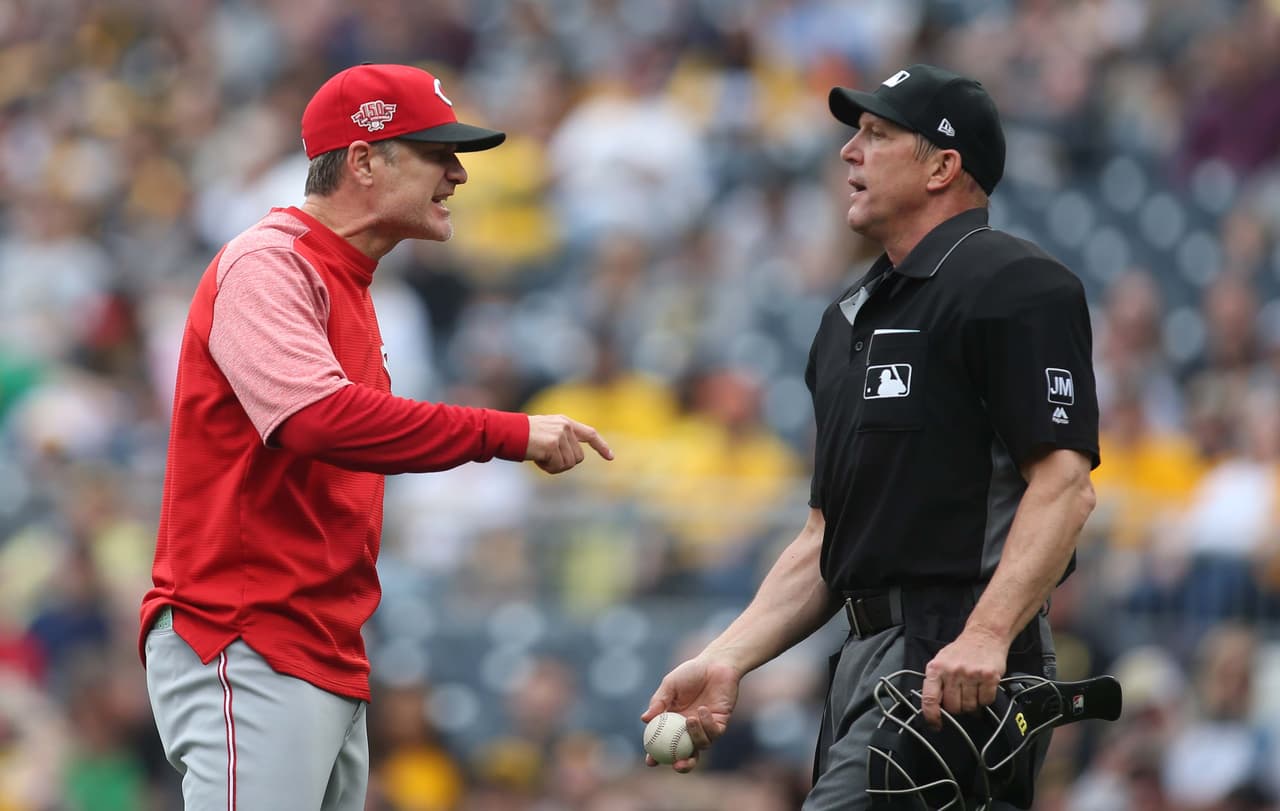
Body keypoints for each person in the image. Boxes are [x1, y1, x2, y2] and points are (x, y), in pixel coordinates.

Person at [138, 63, 613, 811]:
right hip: (246, 631)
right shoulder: (270, 264)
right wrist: (505, 432)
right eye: (435, 153)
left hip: (319, 643)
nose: (457, 174)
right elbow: (318, 417)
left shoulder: (350, 282)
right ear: (363, 158)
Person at [642, 63, 1100, 809]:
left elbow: (1065, 486)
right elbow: (826, 539)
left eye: (878, 135)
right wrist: (726, 657)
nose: (849, 152)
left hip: (957, 650)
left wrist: (986, 634)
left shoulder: (1013, 282)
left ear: (943, 166)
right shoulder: (846, 318)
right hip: (863, 658)